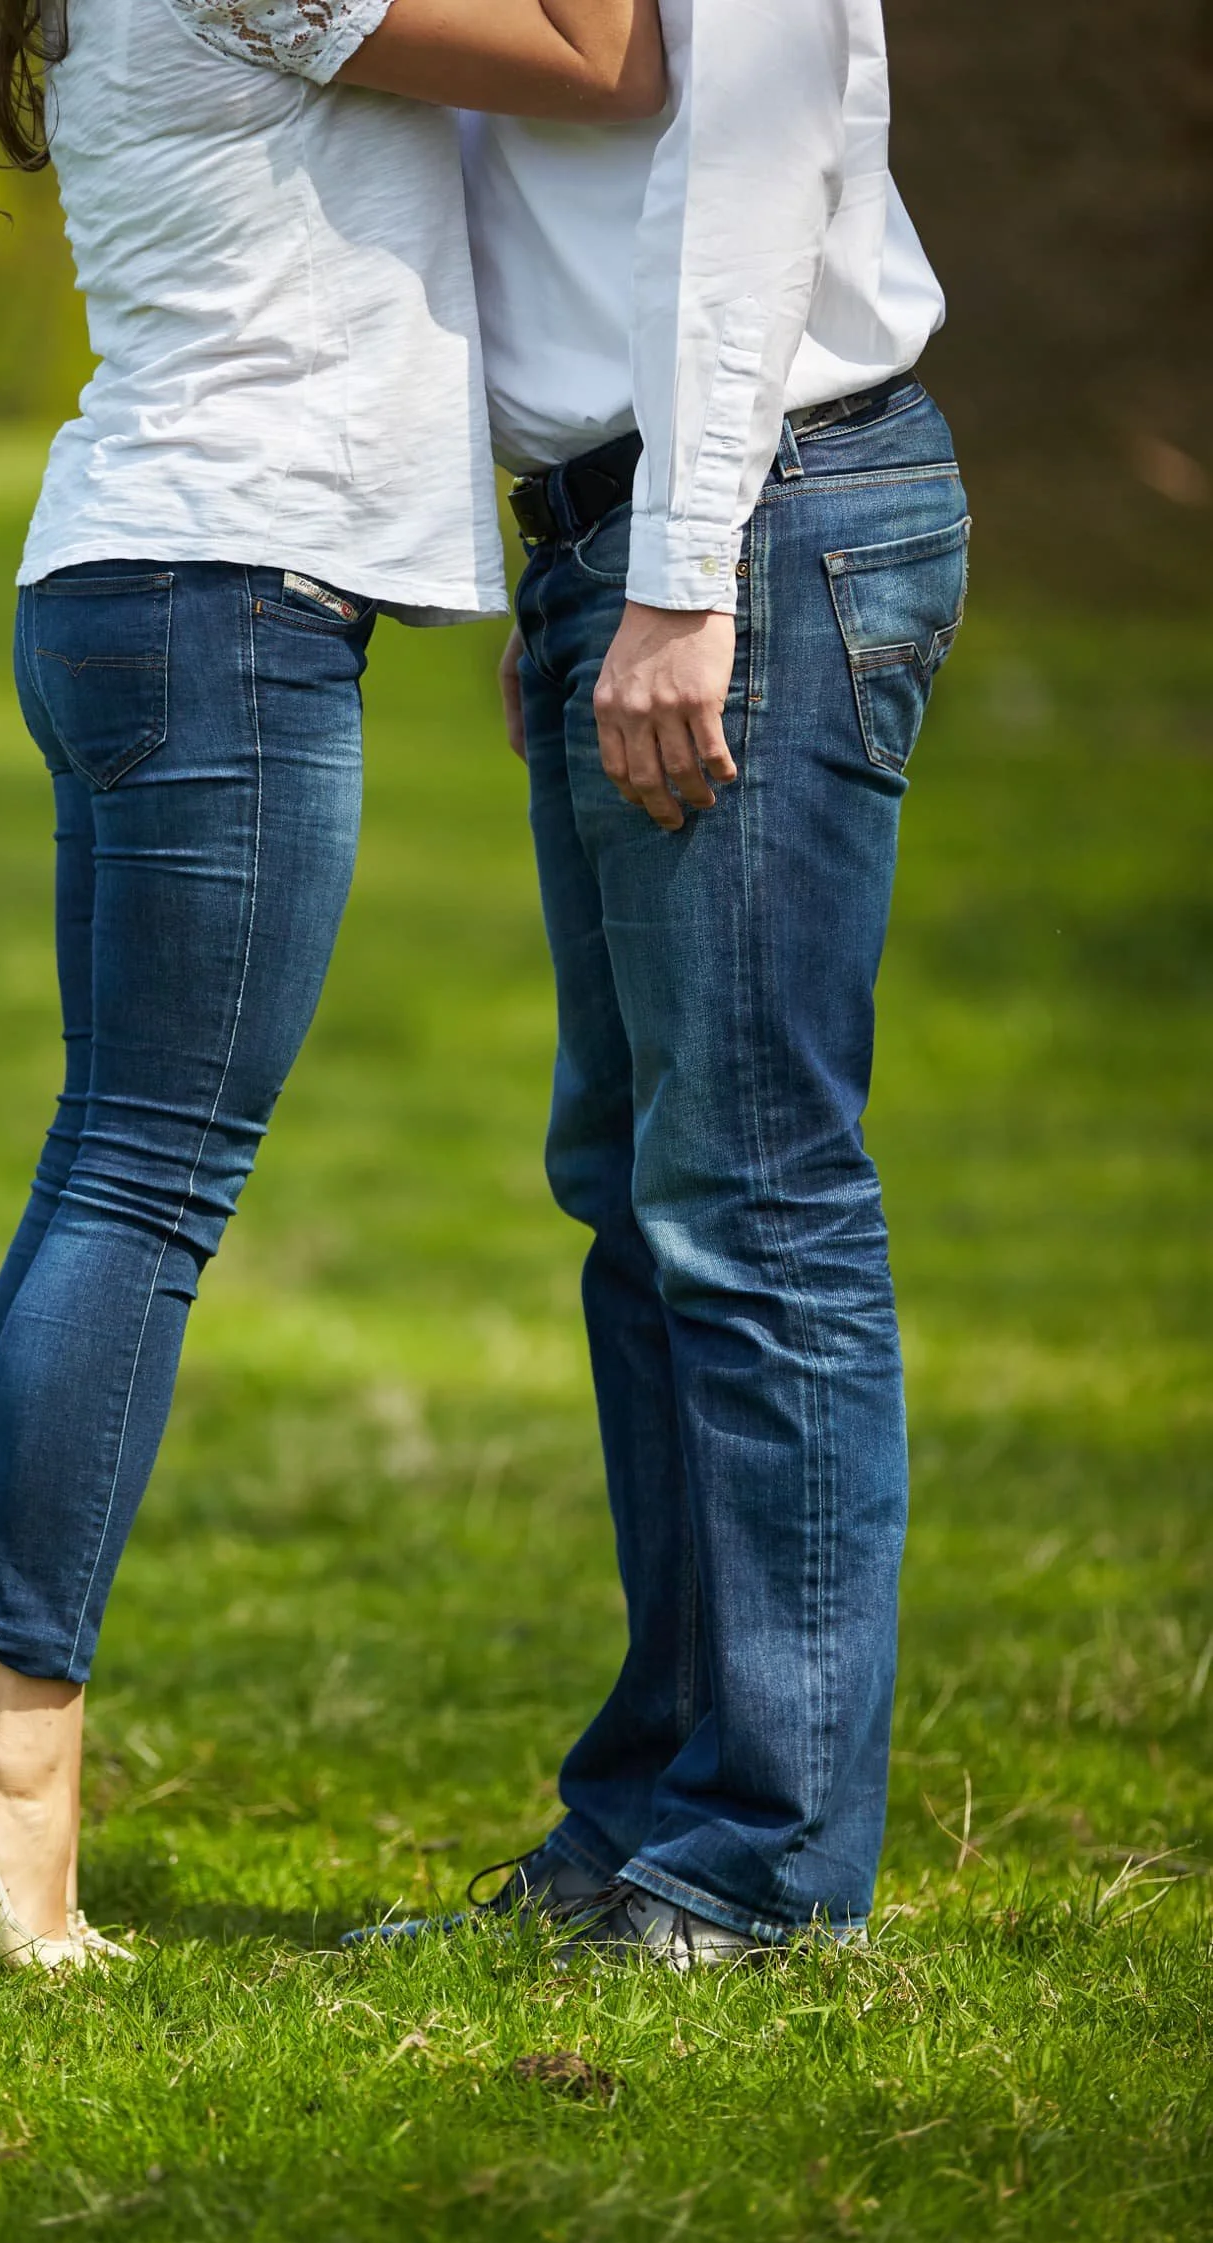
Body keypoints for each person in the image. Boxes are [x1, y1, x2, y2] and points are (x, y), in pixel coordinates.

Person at [0, 0, 665, 1967]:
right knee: (149, 1176)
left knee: (119, 1159)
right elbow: (606, 61)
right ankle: (11, 1732)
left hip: (157, 584)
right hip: (220, 601)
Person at [356, 0, 966, 1967]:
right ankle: (648, 1822)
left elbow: (750, 158)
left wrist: (680, 576)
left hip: (750, 517)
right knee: (640, 1203)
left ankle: (763, 1868)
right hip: (630, 534)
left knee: (749, 1205)